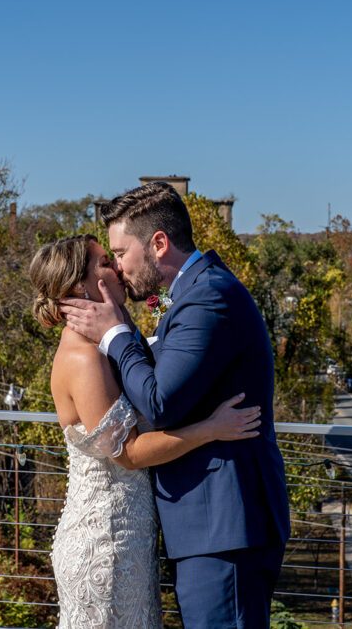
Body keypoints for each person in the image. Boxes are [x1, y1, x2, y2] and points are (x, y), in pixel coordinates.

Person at [60, 182, 291, 629]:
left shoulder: (205, 298)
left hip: (226, 526)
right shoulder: (189, 293)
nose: (119, 268)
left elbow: (161, 403)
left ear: (158, 244)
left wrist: (115, 334)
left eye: (120, 253)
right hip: (209, 526)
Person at [30, 233, 263, 628]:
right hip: (105, 542)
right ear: (79, 286)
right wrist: (210, 429)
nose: (118, 268)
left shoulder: (108, 336)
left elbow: (163, 333)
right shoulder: (83, 358)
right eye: (106, 262)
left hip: (131, 536)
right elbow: (130, 452)